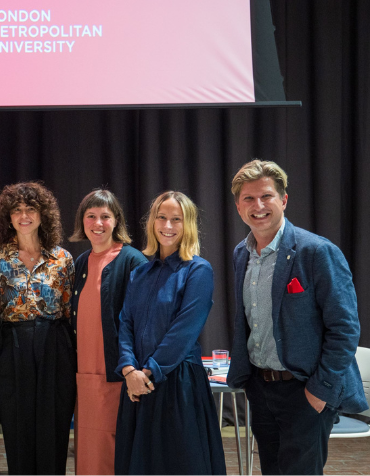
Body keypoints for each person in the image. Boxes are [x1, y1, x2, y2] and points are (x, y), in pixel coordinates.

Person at [226, 160, 368, 474]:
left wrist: (319, 392)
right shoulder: (242, 254)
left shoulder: (316, 252)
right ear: (238, 206)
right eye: (248, 198)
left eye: (266, 196)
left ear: (284, 200)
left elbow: (344, 329)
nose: (258, 206)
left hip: (305, 391)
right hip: (261, 390)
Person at [114, 191, 225, 475]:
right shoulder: (140, 273)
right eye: (162, 217)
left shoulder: (198, 270)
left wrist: (147, 373)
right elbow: (125, 322)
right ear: (152, 222)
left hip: (177, 385)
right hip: (137, 385)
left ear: (187, 225)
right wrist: (128, 371)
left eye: (177, 219)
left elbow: (183, 333)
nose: (168, 225)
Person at [0, 181, 75, 475]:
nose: (24, 215)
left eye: (31, 209)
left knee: (54, 420)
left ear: (43, 215)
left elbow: (68, 309)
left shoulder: (63, 259)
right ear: (8, 217)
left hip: (54, 341)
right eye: (17, 210)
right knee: (17, 422)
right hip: (13, 341)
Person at [67, 189, 147, 475]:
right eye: (91, 216)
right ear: (82, 221)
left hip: (118, 374)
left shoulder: (132, 261)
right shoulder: (80, 262)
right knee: (88, 447)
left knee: (113, 448)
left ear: (116, 221)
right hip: (85, 374)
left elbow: (143, 323)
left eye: (105, 216)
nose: (97, 223)